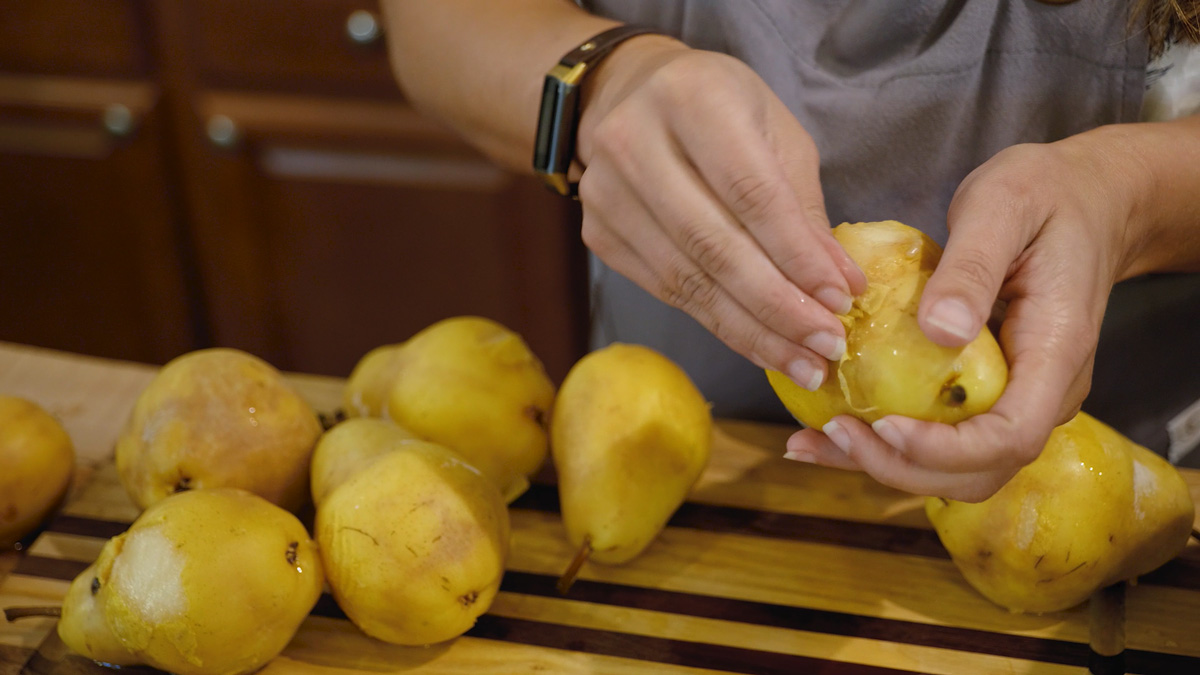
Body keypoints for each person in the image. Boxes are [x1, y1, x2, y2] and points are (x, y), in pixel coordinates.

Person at [378, 0, 1200, 501]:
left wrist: (1128, 195)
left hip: (1120, 474)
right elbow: (433, 21)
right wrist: (595, 87)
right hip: (679, 467)